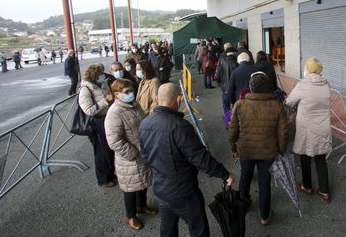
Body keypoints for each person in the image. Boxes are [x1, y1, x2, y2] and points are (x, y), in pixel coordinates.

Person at [139, 83, 235, 237]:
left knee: (168, 229)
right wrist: (225, 175)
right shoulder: (180, 126)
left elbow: (145, 157)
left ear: (157, 99)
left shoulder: (144, 124)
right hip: (184, 191)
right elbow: (201, 158)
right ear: (178, 100)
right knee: (198, 229)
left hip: (161, 189)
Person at [229, 72, 288, 225]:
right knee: (264, 183)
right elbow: (283, 132)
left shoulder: (240, 105)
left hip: (246, 150)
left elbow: (233, 130)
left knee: (245, 178)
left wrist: (233, 148)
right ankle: (265, 216)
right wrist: (281, 150)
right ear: (269, 88)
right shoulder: (277, 105)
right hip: (268, 152)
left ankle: (243, 206)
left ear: (250, 87)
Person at [104, 79, 157, 230]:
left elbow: (143, 121)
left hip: (143, 152)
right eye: (126, 92)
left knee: (143, 182)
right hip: (130, 158)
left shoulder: (134, 104)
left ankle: (142, 206)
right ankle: (130, 215)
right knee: (130, 188)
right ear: (117, 95)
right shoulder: (114, 113)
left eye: (131, 90)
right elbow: (114, 141)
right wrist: (134, 153)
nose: (130, 93)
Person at [284, 58, 332, 202]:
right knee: (320, 157)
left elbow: (289, 101)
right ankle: (325, 191)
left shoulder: (302, 85)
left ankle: (307, 186)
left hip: (306, 126)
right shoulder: (326, 84)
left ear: (307, 69)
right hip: (322, 126)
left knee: (305, 155)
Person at [79, 64, 116, 188]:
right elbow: (88, 110)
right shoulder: (85, 89)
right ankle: (103, 179)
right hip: (96, 123)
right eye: (100, 73)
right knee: (100, 152)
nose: (102, 75)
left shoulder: (98, 84)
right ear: (94, 74)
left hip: (105, 119)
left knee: (109, 149)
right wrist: (105, 101)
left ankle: (110, 173)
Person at [216, 47, 239, 112]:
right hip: (235, 89)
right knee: (235, 105)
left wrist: (220, 85)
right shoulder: (238, 61)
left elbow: (217, 75)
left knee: (225, 105)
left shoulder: (222, 60)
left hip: (225, 88)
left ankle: (227, 120)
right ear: (234, 53)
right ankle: (235, 119)